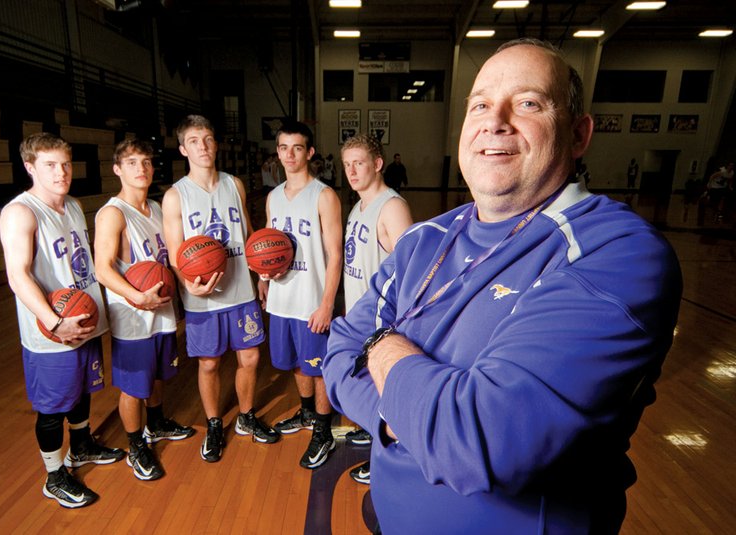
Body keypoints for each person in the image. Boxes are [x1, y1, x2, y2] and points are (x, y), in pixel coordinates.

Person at [322, 39, 682, 533]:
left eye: (528, 103)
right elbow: (340, 352)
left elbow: (475, 442)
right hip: (390, 517)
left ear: (578, 135)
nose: (496, 121)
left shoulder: (617, 252)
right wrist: (416, 419)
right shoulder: (424, 239)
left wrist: (382, 347)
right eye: (481, 104)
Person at [0, 133, 125, 508]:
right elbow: (17, 275)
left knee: (82, 390)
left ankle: (82, 446)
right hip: (51, 332)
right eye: (50, 165)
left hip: (82, 319)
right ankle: (54, 476)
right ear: (30, 167)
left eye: (65, 164)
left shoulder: (70, 205)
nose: (61, 172)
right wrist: (55, 323)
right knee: (52, 407)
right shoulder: (20, 212)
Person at [162, 115, 279, 463]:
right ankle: (214, 424)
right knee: (210, 364)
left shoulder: (235, 184)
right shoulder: (175, 196)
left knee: (251, 357)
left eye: (208, 138)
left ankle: (245, 416)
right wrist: (187, 284)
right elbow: (173, 251)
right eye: (195, 140)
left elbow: (248, 233)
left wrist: (261, 275)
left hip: (241, 289)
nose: (203, 146)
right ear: (184, 149)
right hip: (204, 296)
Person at [93, 138, 195, 481]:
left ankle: (157, 423)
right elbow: (102, 269)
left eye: (147, 162)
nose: (142, 168)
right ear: (117, 169)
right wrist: (137, 298)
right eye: (133, 162)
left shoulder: (154, 208)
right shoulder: (112, 213)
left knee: (157, 375)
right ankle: (136, 446)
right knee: (134, 386)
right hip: (133, 316)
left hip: (160, 310)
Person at [257, 120, 343, 469]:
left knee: (318, 369)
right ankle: (306, 413)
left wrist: (326, 304)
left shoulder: (324, 195)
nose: (289, 155)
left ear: (309, 153)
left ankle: (322, 430)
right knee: (293, 363)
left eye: (296, 148)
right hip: (280, 299)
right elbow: (266, 245)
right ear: (277, 153)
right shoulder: (273, 197)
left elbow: (335, 254)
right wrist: (263, 278)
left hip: (312, 302)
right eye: (283, 148)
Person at [341, 133, 413, 485]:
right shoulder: (358, 206)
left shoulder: (392, 207)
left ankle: (387, 461)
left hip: (384, 321)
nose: (352, 171)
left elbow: (411, 272)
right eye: (347, 164)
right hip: (362, 316)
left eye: (359, 163)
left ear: (378, 164)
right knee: (370, 388)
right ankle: (373, 433)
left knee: (387, 388)